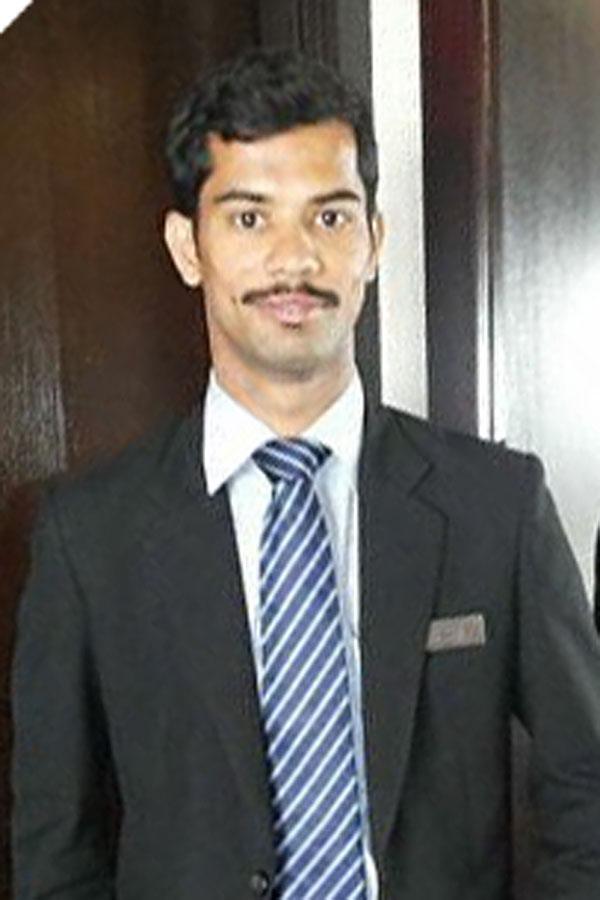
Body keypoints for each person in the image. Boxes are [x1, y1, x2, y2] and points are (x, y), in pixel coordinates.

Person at [10, 48, 600, 900]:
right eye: (250, 218)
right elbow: (55, 848)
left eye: (329, 217)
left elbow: (589, 787)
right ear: (187, 246)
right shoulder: (89, 536)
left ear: (374, 241)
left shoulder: (495, 506)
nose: (294, 260)